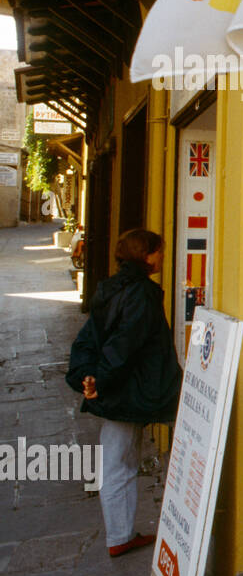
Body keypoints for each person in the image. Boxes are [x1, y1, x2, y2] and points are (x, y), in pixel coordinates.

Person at [66, 229, 182, 557]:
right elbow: (125, 344)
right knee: (122, 462)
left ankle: (121, 534)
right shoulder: (142, 293)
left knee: (118, 460)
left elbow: (92, 336)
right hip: (132, 390)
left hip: (117, 388)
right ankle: (122, 535)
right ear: (146, 256)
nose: (162, 256)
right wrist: (100, 380)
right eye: (158, 251)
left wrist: (89, 376)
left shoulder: (109, 288)